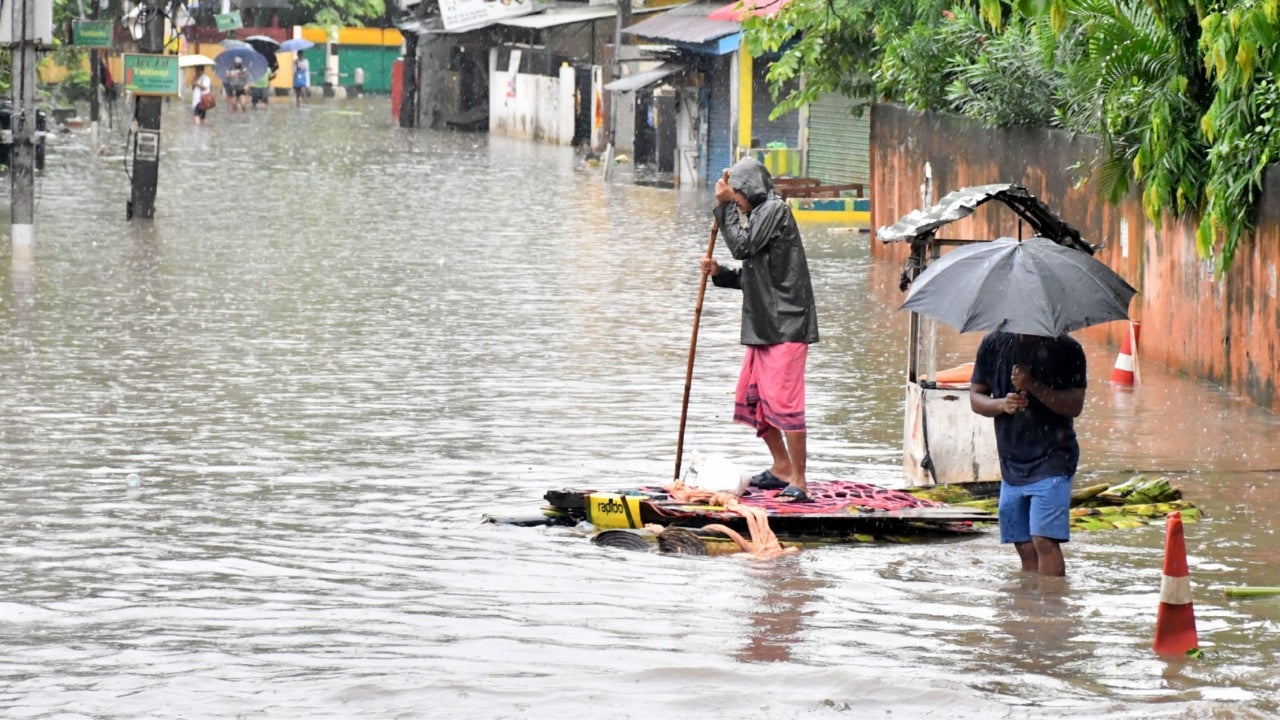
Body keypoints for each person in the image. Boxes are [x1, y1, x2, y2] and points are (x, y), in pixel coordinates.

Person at [698, 157, 820, 502]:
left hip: (787, 326)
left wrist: (721, 209)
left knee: (785, 402)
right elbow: (752, 273)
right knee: (752, 399)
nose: (736, 202)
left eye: (737, 196)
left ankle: (800, 481)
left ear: (749, 190)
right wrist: (720, 273)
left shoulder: (774, 211)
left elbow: (742, 246)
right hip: (764, 326)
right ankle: (781, 466)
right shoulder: (758, 217)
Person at [969, 332, 1087, 576]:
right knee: (1023, 544)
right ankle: (1030, 605)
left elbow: (1075, 405)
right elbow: (976, 396)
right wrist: (1001, 404)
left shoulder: (1067, 349)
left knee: (1044, 539)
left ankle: (1051, 606)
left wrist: (1033, 385)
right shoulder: (993, 344)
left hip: (1053, 458)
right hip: (1012, 461)